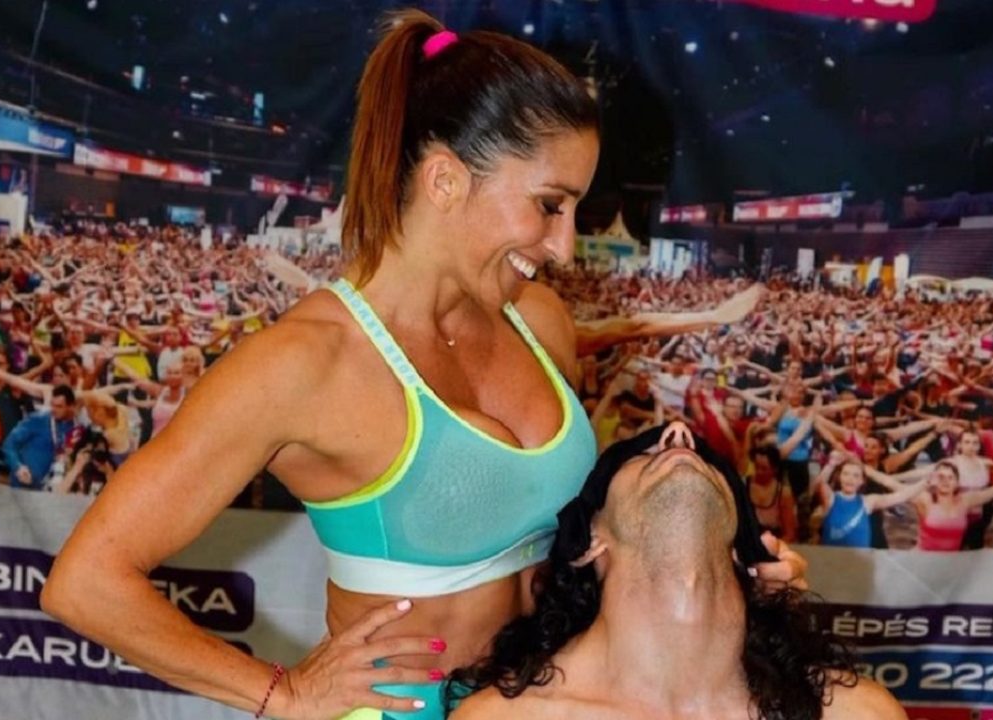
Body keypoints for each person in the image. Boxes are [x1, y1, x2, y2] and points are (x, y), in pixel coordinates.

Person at [41, 12, 804, 720]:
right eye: (550, 204)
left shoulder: (539, 319)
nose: (566, 245)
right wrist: (285, 694)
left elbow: (568, 550)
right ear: (444, 180)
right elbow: (86, 582)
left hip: (540, 697)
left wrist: (724, 581)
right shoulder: (305, 363)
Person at [448, 422, 903, 720]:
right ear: (588, 541)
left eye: (709, 459)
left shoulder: (856, 713)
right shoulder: (505, 717)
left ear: (742, 549)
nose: (680, 434)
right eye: (638, 454)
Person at [1, 385, 80, 489]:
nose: (53, 409)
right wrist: (18, 467)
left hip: (55, 490)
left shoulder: (78, 428)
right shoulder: (37, 419)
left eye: (59, 406)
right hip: (25, 486)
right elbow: (9, 445)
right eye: (52, 405)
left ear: (71, 406)